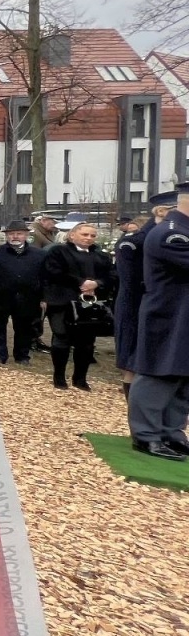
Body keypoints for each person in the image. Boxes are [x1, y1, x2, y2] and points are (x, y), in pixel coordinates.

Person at [129, 181, 189, 461]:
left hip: (182, 316)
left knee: (182, 375)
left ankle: (171, 433)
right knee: (157, 373)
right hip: (169, 315)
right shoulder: (172, 234)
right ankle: (146, 435)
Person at [41, 222, 114, 391]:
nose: (89, 238)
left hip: (89, 304)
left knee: (86, 342)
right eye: (84, 234)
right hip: (62, 301)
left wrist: (97, 283)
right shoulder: (58, 251)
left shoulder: (101, 256)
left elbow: (112, 275)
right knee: (61, 338)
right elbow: (53, 272)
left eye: (92, 235)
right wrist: (81, 282)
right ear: (72, 235)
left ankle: (80, 379)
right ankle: (59, 377)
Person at [115, 191, 175, 397]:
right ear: (162, 212)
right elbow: (131, 283)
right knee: (135, 361)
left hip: (166, 307)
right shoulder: (134, 243)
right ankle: (135, 407)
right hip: (139, 305)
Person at [0, 220, 44, 364]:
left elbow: (44, 277)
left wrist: (42, 296)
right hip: (0, 297)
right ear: (6, 235)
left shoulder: (39, 254)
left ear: (26, 235)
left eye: (19, 233)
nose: (15, 236)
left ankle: (22, 356)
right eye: (11, 234)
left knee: (24, 328)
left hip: (28, 298)